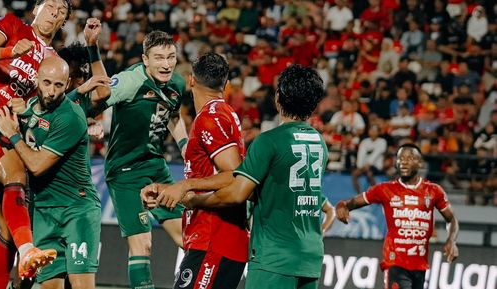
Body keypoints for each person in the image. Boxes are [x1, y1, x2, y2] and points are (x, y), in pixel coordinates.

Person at [0, 0, 73, 286]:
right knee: (17, 175)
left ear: (64, 23)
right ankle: (28, 250)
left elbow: (49, 104)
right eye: (50, 6)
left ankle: (18, 256)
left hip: (13, 132)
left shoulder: (53, 62)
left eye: (62, 12)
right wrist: (11, 51)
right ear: (36, 8)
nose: (55, 13)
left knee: (10, 230)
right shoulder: (12, 26)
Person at [178, 64, 327, 289]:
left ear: (278, 98)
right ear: (314, 104)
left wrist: (195, 199)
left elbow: (237, 194)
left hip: (274, 257)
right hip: (310, 257)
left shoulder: (269, 141)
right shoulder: (319, 142)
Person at [0, 56, 102, 289]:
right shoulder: (30, 107)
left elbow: (37, 166)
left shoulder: (70, 117)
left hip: (76, 210)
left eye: (59, 85)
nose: (51, 91)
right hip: (44, 213)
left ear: (68, 83)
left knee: (82, 286)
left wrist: (13, 135)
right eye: (47, 83)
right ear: (37, 80)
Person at [141, 53, 248, 289]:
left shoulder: (210, 117)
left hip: (214, 240)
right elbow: (206, 173)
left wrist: (185, 186)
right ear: (226, 84)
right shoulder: (225, 113)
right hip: (216, 240)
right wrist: (166, 190)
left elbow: (235, 174)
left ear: (191, 80)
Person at [98, 30, 189, 289]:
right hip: (124, 170)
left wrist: (185, 147)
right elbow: (97, 99)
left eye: (171, 57)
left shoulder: (177, 84)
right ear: (145, 59)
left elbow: (172, 116)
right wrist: (93, 119)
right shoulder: (128, 81)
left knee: (187, 238)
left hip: (155, 166)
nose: (166, 64)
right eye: (159, 58)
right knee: (143, 244)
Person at [335, 144, 460, 289]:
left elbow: (451, 219)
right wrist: (341, 205)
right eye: (400, 158)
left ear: (420, 163)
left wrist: (452, 240)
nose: (404, 162)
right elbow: (352, 203)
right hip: (395, 263)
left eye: (410, 158)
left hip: (420, 266)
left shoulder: (433, 191)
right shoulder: (385, 189)